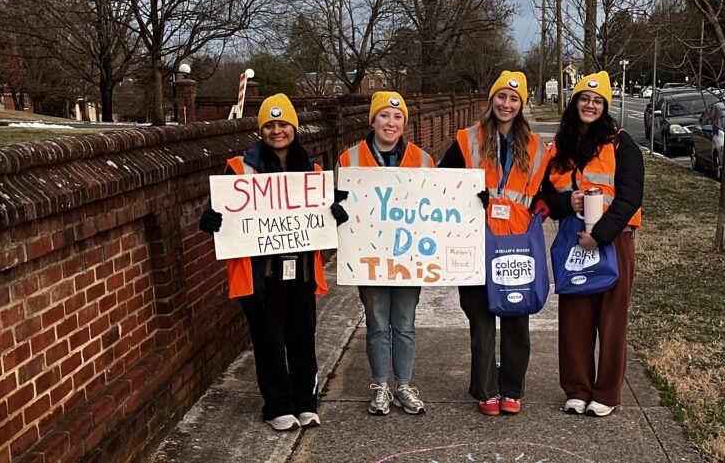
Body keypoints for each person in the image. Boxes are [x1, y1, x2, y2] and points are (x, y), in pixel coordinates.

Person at [198, 94, 349, 432]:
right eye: (269, 124)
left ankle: (305, 403)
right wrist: (209, 219)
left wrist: (334, 215)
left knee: (301, 338)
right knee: (268, 340)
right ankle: (277, 405)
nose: (276, 130)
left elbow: (319, 219)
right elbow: (224, 213)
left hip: (301, 271)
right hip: (260, 274)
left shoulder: (312, 171)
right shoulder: (240, 168)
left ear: (294, 127)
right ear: (260, 130)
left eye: (283, 124)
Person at [439, 71, 548, 416]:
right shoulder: (466, 140)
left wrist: (547, 206)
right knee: (482, 321)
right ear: (491, 99)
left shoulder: (536, 146)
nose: (506, 104)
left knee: (517, 317)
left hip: (516, 244)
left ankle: (512, 388)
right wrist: (467, 195)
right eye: (501, 96)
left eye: (514, 98)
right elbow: (443, 183)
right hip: (474, 243)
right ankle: (486, 390)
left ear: (522, 104)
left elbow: (547, 190)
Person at [536, 71, 644, 418]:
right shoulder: (559, 147)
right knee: (574, 317)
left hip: (614, 240)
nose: (591, 105)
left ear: (605, 106)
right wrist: (570, 204)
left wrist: (599, 236)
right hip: (571, 240)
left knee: (611, 319)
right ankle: (577, 388)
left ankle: (607, 393)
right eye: (585, 98)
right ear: (575, 101)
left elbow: (630, 197)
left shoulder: (621, 143)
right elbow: (545, 196)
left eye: (598, 101)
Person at [337, 92, 435, 416]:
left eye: (397, 118)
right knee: (378, 323)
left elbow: (436, 207)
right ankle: (380, 385)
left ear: (404, 123)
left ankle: (404, 385)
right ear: (373, 120)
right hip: (370, 259)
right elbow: (338, 206)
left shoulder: (422, 160)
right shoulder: (348, 160)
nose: (390, 123)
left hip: (408, 258)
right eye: (384, 116)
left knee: (405, 323)